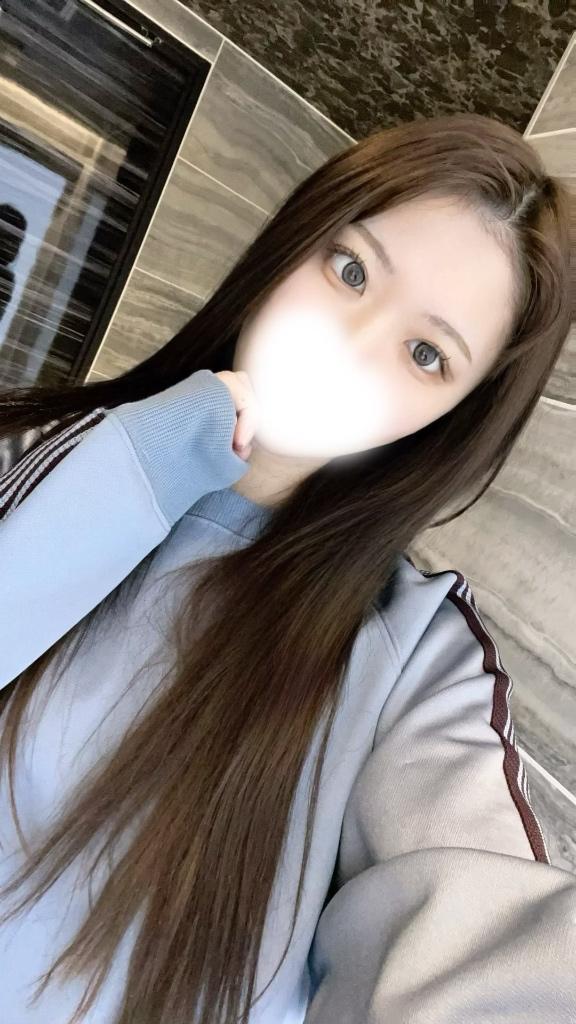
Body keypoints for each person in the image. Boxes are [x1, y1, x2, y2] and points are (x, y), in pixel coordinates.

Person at [0, 112, 573, 1024]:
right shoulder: (36, 450)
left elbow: (484, 960)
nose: (354, 340)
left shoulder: (415, 663)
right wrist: (158, 448)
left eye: (427, 354)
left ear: (454, 417)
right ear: (293, 245)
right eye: (350, 270)